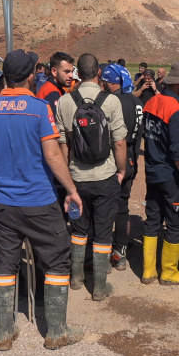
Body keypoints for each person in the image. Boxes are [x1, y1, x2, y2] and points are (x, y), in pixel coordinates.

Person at [0, 49, 84, 351]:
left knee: (4, 264)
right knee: (57, 261)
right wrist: (72, 190)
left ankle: (4, 333)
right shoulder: (39, 109)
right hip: (38, 199)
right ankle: (56, 332)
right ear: (29, 76)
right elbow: (52, 154)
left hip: (1, 200)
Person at [56, 54, 127, 301]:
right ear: (98, 73)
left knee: (78, 228)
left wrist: (67, 176)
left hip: (76, 177)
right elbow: (119, 141)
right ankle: (99, 287)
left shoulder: (64, 101)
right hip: (105, 176)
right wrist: (121, 171)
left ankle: (76, 278)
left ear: (77, 74)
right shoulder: (111, 102)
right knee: (103, 232)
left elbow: (63, 143)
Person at [140, 61, 179, 285]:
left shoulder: (152, 101)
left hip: (152, 171)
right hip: (170, 176)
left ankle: (147, 271)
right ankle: (169, 272)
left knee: (153, 219)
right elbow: (177, 152)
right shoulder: (175, 111)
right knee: (174, 222)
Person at [99, 64, 143, 271]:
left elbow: (116, 138)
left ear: (110, 81)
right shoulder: (137, 101)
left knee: (107, 207)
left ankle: (105, 251)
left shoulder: (113, 101)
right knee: (123, 206)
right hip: (132, 158)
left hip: (116, 160)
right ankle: (121, 252)